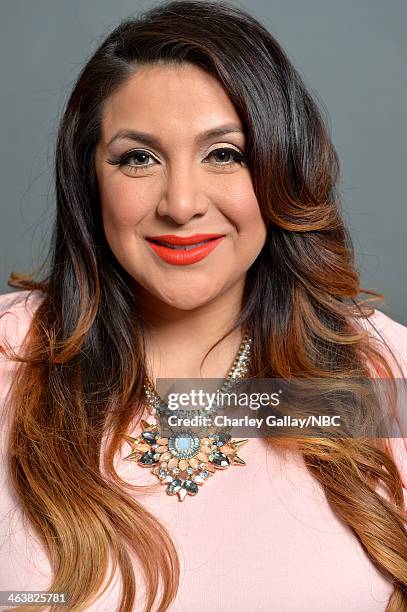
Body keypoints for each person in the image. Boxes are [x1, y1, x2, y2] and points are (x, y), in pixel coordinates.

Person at [0, 1, 406, 610]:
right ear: (90, 179)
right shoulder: (9, 356)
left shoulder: (380, 370)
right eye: (138, 157)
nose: (182, 203)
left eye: (225, 153)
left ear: (281, 168)